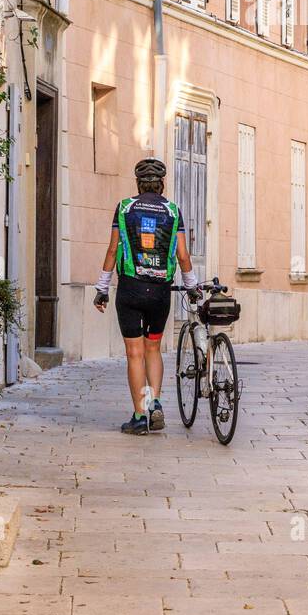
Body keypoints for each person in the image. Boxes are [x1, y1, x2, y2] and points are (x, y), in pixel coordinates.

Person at [93, 157, 198, 435]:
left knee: (134, 353)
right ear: (162, 184)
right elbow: (183, 255)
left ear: (139, 184)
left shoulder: (125, 208)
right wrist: (192, 286)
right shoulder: (173, 211)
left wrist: (102, 288)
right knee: (153, 348)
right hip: (160, 292)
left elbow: (112, 250)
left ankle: (140, 415)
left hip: (130, 288)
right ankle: (156, 404)